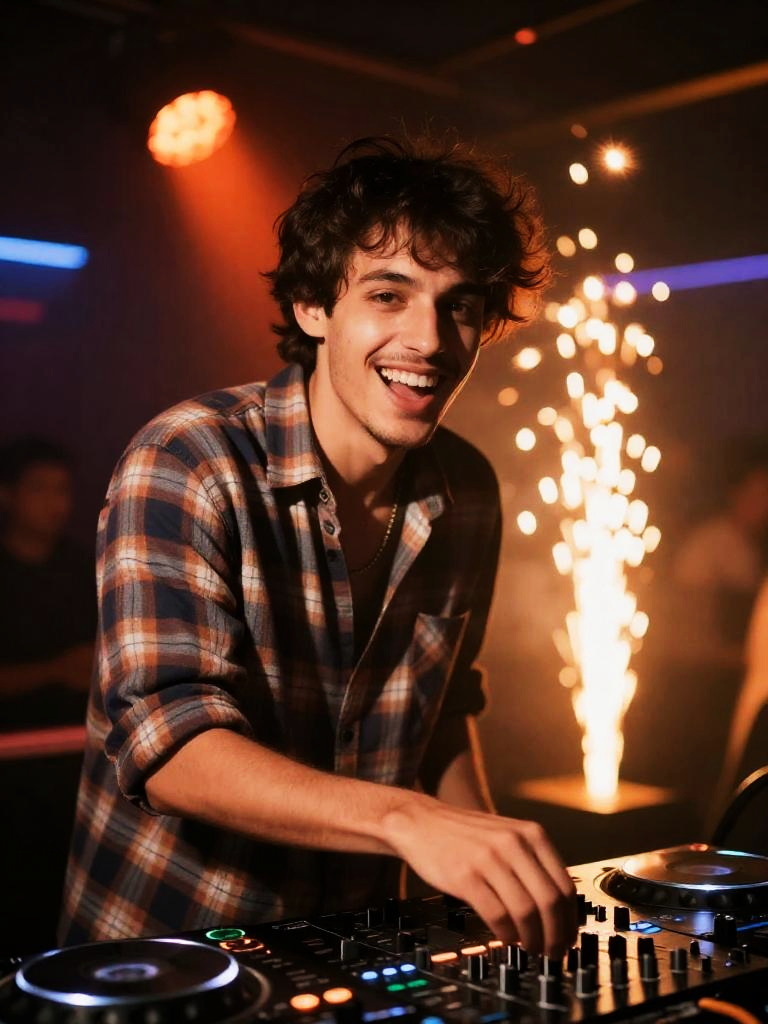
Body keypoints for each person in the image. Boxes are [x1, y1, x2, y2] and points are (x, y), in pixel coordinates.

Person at [59, 136, 577, 955]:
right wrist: (410, 822)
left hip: (360, 949)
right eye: (388, 294)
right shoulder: (190, 457)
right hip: (172, 957)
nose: (431, 340)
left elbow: (442, 717)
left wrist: (490, 871)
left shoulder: (469, 488)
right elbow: (171, 748)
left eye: (461, 306)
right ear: (312, 307)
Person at [0, 436, 95, 728]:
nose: (54, 503)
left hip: (75, 739)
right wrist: (55, 670)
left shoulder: (83, 566)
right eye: (39, 489)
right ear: (7, 495)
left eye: (62, 490)